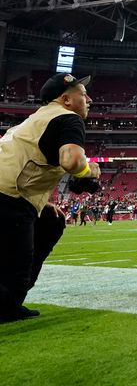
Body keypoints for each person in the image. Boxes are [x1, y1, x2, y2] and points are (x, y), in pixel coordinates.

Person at [0, 73, 100, 322]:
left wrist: (42, 201)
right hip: (9, 198)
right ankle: (6, 305)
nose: (89, 99)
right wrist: (89, 170)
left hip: (11, 192)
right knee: (17, 271)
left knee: (51, 221)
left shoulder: (36, 119)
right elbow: (71, 160)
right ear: (66, 99)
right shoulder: (69, 119)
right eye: (82, 94)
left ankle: (9, 301)